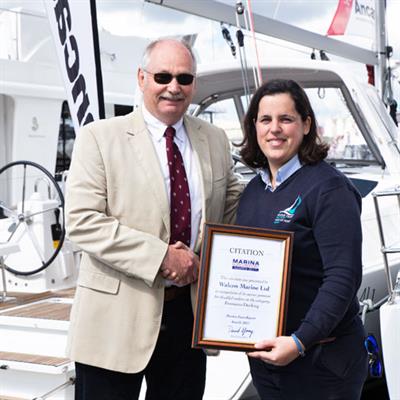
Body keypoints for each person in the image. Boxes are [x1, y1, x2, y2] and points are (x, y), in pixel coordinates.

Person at [65, 38, 242, 400]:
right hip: (114, 322)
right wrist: (163, 257)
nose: (173, 87)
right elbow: (83, 221)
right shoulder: (99, 138)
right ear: (141, 77)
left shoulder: (215, 140)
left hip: (187, 319)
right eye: (163, 76)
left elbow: (235, 206)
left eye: (184, 78)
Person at [236, 79, 368, 400]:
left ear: (306, 124)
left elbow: (343, 278)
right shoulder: (253, 192)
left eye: (286, 119)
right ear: (254, 127)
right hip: (270, 363)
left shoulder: (328, 188)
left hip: (322, 363)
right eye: (265, 120)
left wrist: (299, 341)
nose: (275, 129)